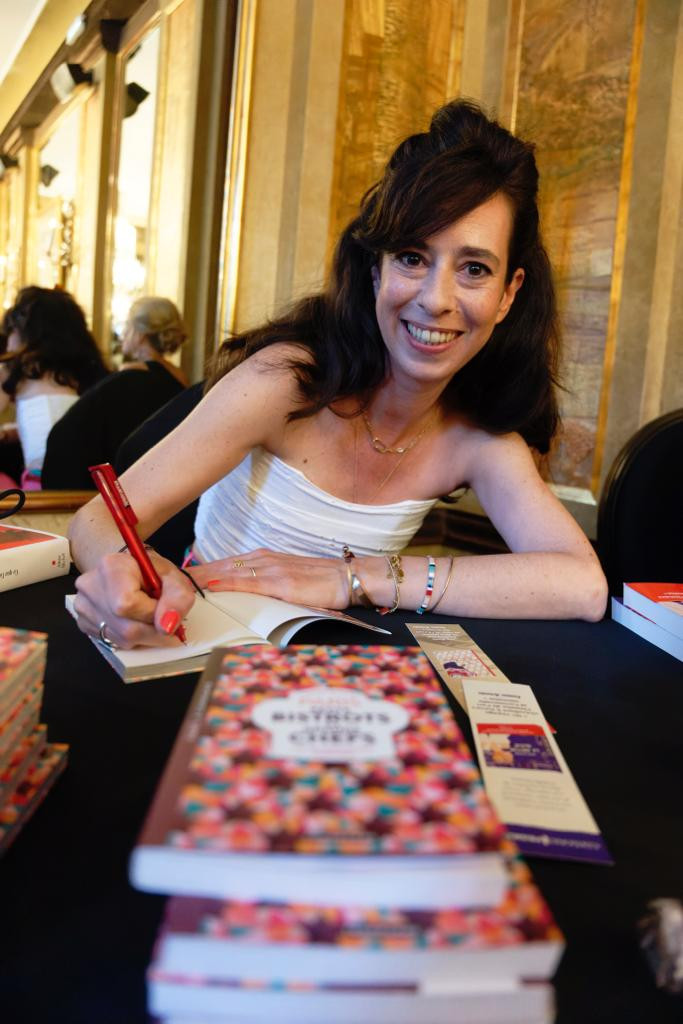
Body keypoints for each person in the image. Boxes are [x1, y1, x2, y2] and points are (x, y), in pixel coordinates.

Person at [69, 100, 608, 650]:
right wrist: (126, 576)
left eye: (474, 269)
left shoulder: (476, 438)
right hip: (198, 642)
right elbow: (93, 523)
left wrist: (353, 578)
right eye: (412, 257)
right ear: (376, 270)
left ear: (508, 294)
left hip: (332, 665)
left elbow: (583, 585)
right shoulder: (285, 381)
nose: (435, 299)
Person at [41, 296, 188, 489]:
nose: (123, 332)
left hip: (123, 480)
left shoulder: (128, 377)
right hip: (162, 481)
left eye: (127, 324)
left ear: (140, 334)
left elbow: (71, 430)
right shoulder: (181, 379)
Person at [0, 286, 108, 489]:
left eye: (11, 329)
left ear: (27, 333)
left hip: (42, 484)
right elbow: (58, 422)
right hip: (87, 483)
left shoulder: (18, 370)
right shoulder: (86, 372)